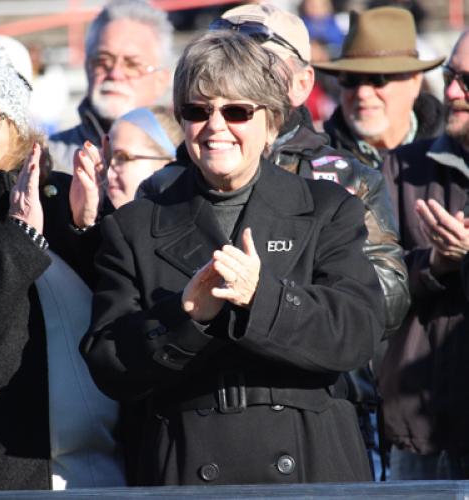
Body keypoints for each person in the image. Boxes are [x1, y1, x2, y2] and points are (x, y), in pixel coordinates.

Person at [81, 30, 385, 485]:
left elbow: (358, 332)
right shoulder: (135, 226)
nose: (216, 126)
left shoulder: (328, 209)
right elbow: (107, 363)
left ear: (272, 122)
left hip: (310, 461)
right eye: (198, 111)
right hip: (187, 464)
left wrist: (262, 300)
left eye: (237, 111)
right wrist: (186, 318)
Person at [0, 37, 125, 491]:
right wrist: (19, 241)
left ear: (16, 124)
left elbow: (122, 307)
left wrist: (87, 225)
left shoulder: (57, 192)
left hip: (103, 468)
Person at [378, 30, 469, 480]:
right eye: (451, 76)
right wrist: (435, 265)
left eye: (468, 81)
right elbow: (369, 283)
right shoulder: (400, 169)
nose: (452, 91)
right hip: (419, 437)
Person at [48, 0, 173, 174]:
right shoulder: (48, 159)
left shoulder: (187, 160)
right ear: (87, 67)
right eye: (103, 61)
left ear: (161, 80)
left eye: (131, 64)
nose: (115, 74)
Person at [314, 6, 444, 168]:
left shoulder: (453, 153)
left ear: (415, 81)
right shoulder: (315, 158)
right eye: (351, 79)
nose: (363, 93)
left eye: (379, 79)